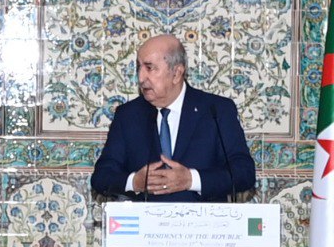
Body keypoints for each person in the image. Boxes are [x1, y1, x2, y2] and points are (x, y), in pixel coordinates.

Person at [91, 34, 255, 202]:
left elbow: (244, 173)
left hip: (203, 224)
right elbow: (101, 177)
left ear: (176, 73)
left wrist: (191, 180)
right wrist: (134, 182)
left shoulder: (216, 110)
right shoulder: (128, 115)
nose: (141, 78)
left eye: (149, 68)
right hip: (145, 225)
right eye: (139, 68)